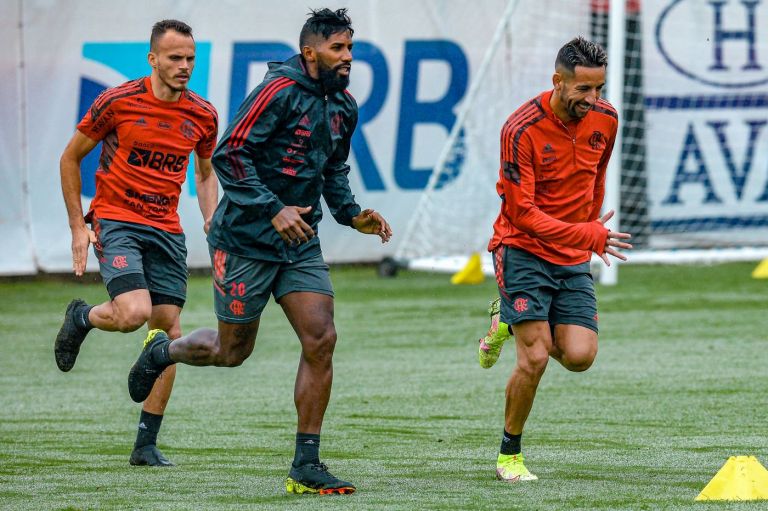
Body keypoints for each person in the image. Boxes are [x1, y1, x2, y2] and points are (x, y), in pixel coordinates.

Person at [126, 8, 391, 495]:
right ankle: (163, 350)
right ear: (311, 52)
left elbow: (333, 169)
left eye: (351, 47)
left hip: (299, 242)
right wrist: (273, 209)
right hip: (245, 239)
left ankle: (305, 465)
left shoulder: (344, 106)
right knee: (232, 352)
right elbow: (230, 154)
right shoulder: (278, 91)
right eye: (338, 49)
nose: (348, 57)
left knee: (321, 337)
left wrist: (352, 214)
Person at [55, 19, 218, 467]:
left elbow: (205, 174)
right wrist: (77, 225)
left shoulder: (202, 115)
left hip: (166, 229)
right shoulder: (118, 101)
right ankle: (82, 317)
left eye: (190, 59)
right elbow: (70, 157)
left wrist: (209, 218)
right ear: (152, 59)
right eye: (174, 58)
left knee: (168, 331)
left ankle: (145, 444)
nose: (184, 66)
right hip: (117, 218)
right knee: (134, 314)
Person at [476, 36, 632, 482]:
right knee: (536, 356)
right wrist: (587, 232)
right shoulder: (520, 128)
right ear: (557, 82)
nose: (593, 99)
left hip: (571, 254)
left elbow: (596, 177)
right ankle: (509, 454)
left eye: (599, 88)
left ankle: (504, 319)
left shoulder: (606, 119)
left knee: (580, 356)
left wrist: (587, 226)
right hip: (520, 248)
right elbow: (522, 215)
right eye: (583, 89)